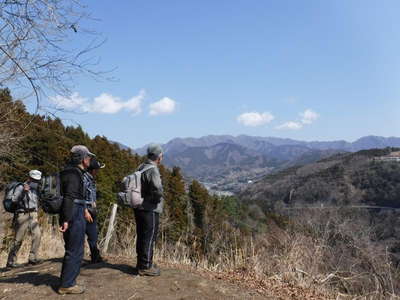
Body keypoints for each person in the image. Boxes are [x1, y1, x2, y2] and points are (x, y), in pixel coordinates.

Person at [58, 145, 95, 295]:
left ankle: (67, 280)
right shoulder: (74, 174)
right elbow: (70, 197)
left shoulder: (67, 171)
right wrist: (66, 219)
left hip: (73, 211)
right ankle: (67, 284)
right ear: (82, 159)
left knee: (72, 248)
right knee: (75, 249)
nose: (90, 159)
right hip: (73, 213)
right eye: (88, 157)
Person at [134, 143, 164, 276]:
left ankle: (142, 263)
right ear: (159, 157)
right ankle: (145, 266)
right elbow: (157, 188)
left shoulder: (141, 167)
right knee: (149, 237)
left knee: (141, 235)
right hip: (149, 208)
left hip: (138, 207)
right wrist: (157, 199)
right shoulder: (153, 170)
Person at [6, 170, 42, 269]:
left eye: (37, 180)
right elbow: (14, 200)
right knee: (18, 239)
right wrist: (23, 192)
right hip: (22, 214)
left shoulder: (36, 188)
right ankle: (11, 262)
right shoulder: (21, 187)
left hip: (33, 214)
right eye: (34, 180)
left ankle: (32, 258)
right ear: (29, 178)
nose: (36, 182)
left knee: (37, 235)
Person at [84, 157, 105, 264]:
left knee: (93, 235)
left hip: (92, 209)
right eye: (97, 169)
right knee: (86, 235)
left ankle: (95, 257)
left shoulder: (91, 179)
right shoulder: (84, 179)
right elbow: (80, 196)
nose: (98, 171)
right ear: (93, 169)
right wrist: (85, 211)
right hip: (86, 210)